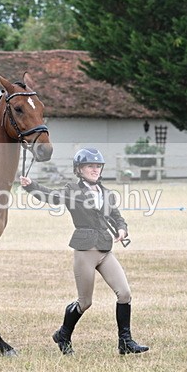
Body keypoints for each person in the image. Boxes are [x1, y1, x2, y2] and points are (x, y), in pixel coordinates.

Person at [20, 147, 149, 356]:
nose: (95, 169)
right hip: (85, 250)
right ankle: (63, 334)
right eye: (90, 166)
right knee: (85, 302)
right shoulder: (72, 190)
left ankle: (125, 342)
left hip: (105, 249)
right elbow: (52, 197)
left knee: (124, 293)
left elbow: (116, 215)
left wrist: (122, 228)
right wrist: (31, 186)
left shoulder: (106, 193)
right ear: (79, 169)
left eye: (98, 166)